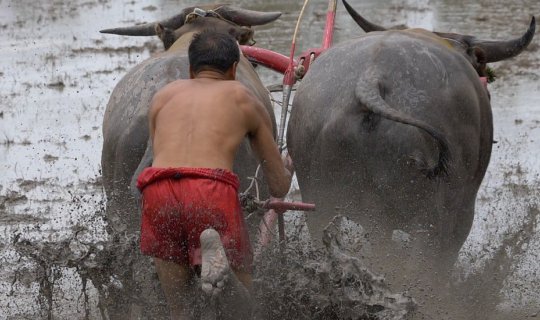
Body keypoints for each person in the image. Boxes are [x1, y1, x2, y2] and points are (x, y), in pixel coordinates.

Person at [136, 30, 292, 319]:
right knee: (242, 312)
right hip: (209, 191)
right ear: (234, 69)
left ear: (192, 69)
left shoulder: (162, 97)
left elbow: (162, 156)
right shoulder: (242, 98)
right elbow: (278, 186)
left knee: (179, 311)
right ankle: (225, 274)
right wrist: (287, 167)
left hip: (158, 190)